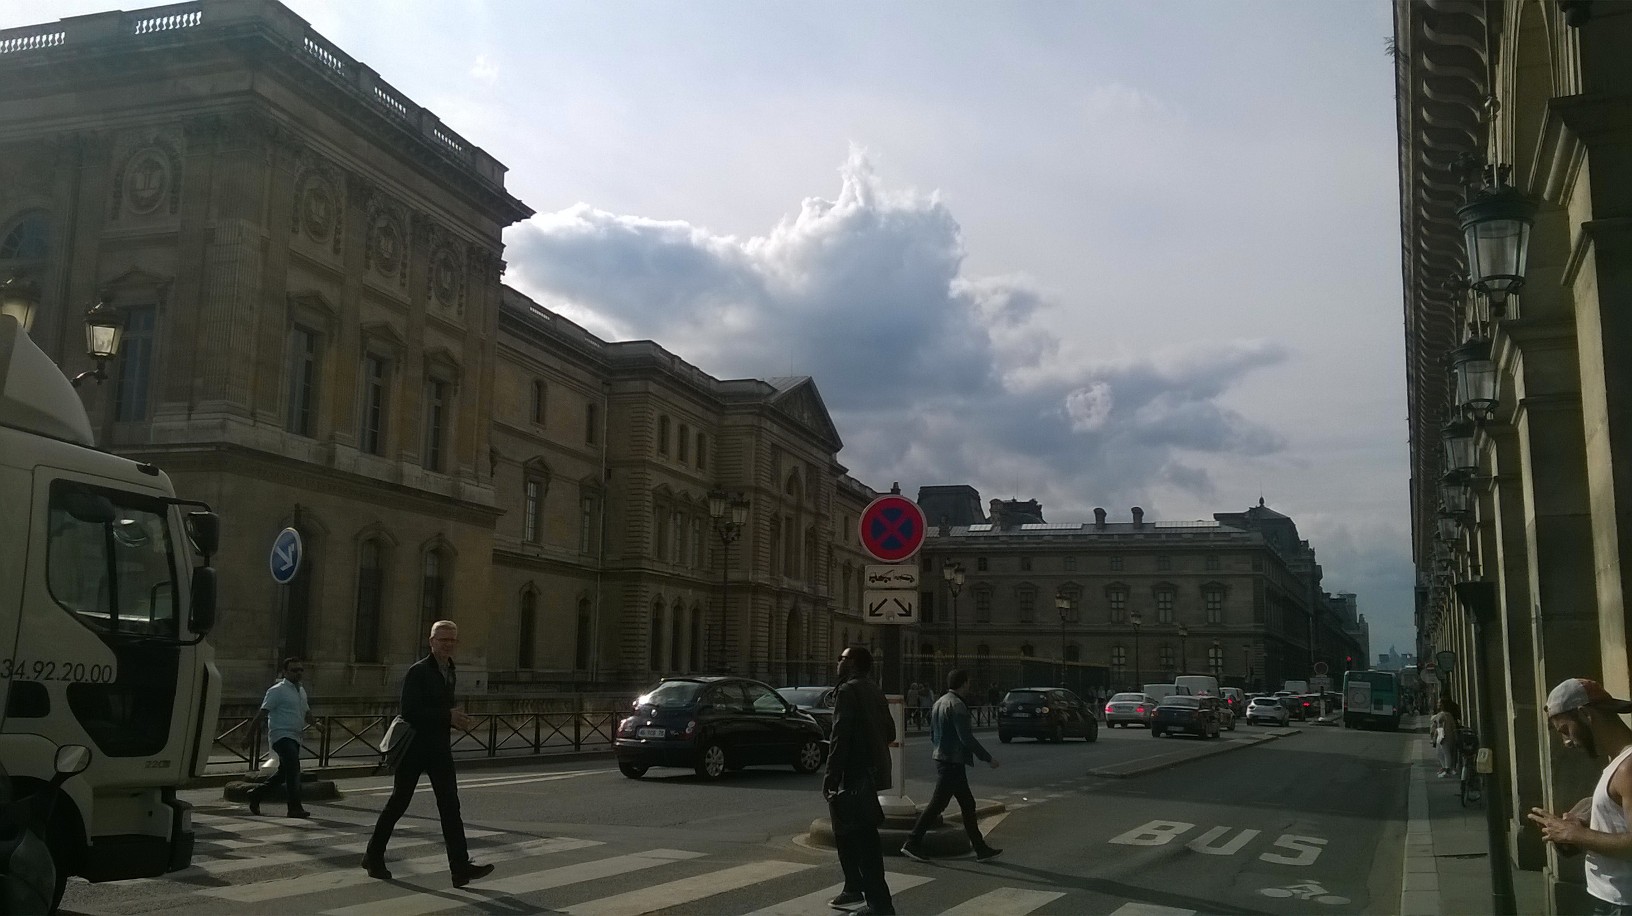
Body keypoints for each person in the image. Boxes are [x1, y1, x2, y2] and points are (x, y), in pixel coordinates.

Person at [363, 621, 494, 888]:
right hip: (414, 749)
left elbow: (439, 709)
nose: (447, 644)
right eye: (442, 639)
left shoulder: (450, 671)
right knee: (399, 803)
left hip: (439, 749)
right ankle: (373, 856)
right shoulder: (419, 671)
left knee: (450, 807)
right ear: (431, 641)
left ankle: (460, 869)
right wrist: (447, 716)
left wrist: (454, 720)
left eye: (452, 640)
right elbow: (409, 711)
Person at [1528, 678, 1632, 915]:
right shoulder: (1617, 763)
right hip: (1611, 899)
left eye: (1565, 730)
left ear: (1585, 715)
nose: (1566, 742)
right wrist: (1582, 824)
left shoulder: (1628, 768)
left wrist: (1576, 834)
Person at [901, 668, 1002, 863]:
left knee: (966, 803)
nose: (969, 685)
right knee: (938, 805)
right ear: (963, 683)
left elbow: (932, 733)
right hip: (952, 761)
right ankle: (912, 842)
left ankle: (981, 848)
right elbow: (966, 738)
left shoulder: (939, 702)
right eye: (968, 682)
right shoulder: (958, 706)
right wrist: (987, 758)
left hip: (942, 757)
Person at [824, 646, 894, 915]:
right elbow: (890, 730)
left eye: (841, 658)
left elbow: (839, 739)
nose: (837, 662)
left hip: (852, 776)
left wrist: (830, 777)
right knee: (854, 834)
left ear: (852, 663)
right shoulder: (874, 689)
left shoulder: (848, 691)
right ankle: (856, 888)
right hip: (871, 774)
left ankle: (879, 905)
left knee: (863, 841)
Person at [244, 657, 315, 818]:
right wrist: (248, 736)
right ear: (285, 672)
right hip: (280, 736)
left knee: (284, 773)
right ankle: (294, 807)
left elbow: (307, 713)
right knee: (294, 768)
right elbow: (262, 714)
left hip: (296, 737)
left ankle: (256, 794)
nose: (298, 673)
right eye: (294, 670)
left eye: (300, 670)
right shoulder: (276, 690)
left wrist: (317, 725)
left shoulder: (301, 691)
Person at [1430, 696, 1459, 778]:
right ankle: (1445, 767)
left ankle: (1447, 769)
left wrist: (1440, 736)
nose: (1438, 704)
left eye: (1439, 703)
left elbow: (1441, 726)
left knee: (1446, 753)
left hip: (1445, 736)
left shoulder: (1445, 715)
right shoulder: (1443, 715)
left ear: (1442, 705)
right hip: (1442, 735)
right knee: (1440, 752)